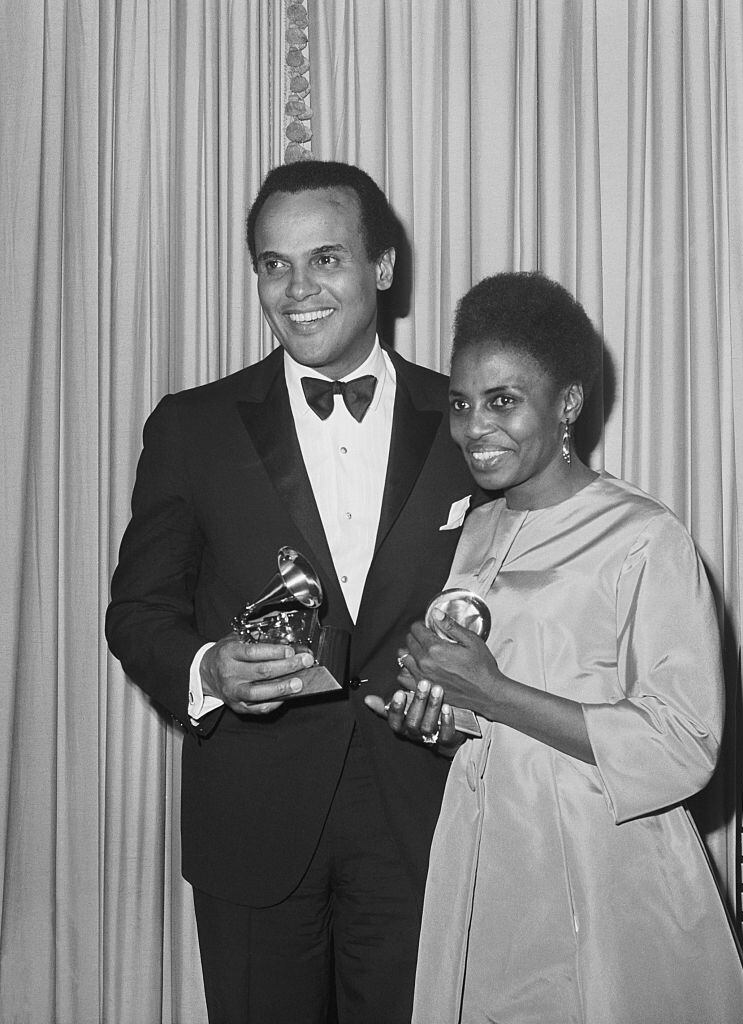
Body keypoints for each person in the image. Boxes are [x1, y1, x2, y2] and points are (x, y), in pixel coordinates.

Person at [105, 160, 477, 1024]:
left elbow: (517, 604)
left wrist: (468, 699)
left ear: (382, 267)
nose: (297, 288)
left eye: (326, 259)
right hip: (251, 824)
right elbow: (139, 610)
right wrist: (206, 670)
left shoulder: (467, 423)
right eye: (275, 264)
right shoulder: (190, 426)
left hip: (424, 817)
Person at [370, 271, 743, 1023]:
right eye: (461, 403)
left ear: (568, 404)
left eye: (502, 401)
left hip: (602, 866)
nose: (474, 427)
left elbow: (682, 744)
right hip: (483, 860)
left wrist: (491, 692)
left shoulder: (645, 535)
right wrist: (437, 713)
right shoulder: (476, 529)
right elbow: (488, 717)